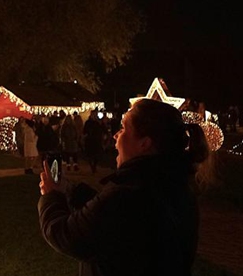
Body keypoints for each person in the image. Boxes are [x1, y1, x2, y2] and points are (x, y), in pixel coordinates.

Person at [37, 98, 214, 276]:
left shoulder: (127, 196)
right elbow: (110, 218)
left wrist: (51, 196)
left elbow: (65, 234)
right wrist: (72, 191)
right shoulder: (173, 186)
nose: (115, 135)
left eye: (123, 128)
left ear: (145, 143)